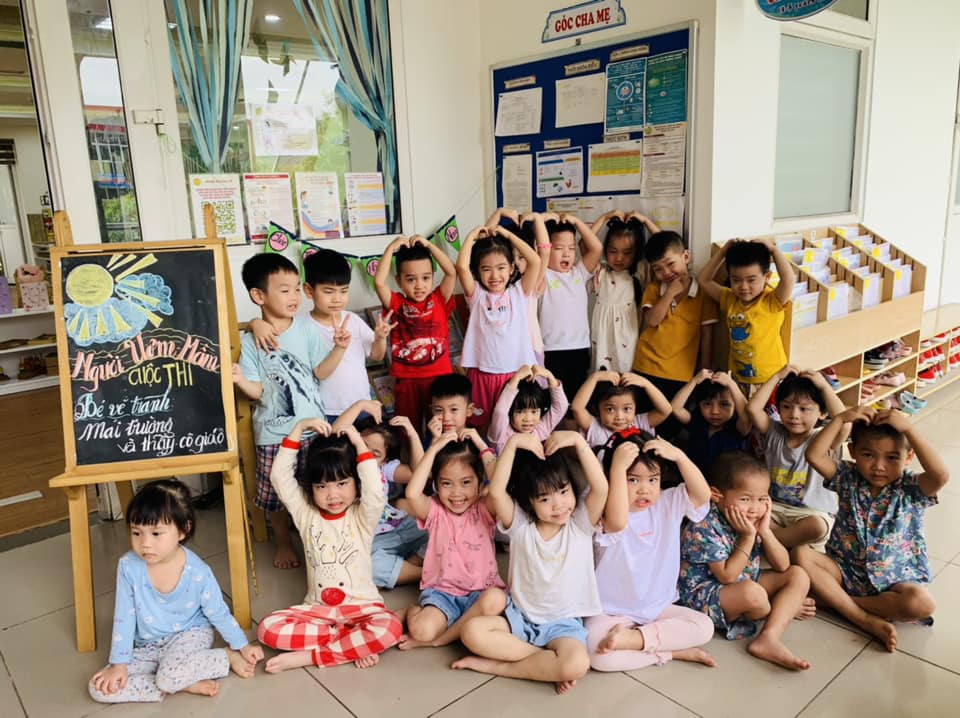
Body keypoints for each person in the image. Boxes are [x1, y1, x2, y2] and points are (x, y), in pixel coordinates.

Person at [452, 431, 608, 695]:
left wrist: (579, 442)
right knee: (471, 632)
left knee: (578, 664)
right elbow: (497, 492)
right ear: (529, 502)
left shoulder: (580, 524)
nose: (558, 505)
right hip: (520, 617)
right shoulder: (521, 526)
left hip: (563, 625)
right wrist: (513, 443)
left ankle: (499, 667)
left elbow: (601, 488)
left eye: (564, 491)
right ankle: (544, 662)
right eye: (545, 499)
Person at [89, 480, 263, 703]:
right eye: (136, 533)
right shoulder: (128, 566)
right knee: (99, 687)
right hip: (148, 644)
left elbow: (218, 612)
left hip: (189, 635)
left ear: (183, 530)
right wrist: (119, 665)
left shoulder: (198, 571)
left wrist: (241, 645)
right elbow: (124, 617)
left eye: (156, 533)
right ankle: (181, 682)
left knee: (167, 677)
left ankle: (224, 658)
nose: (145, 544)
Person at [797, 406, 948, 653]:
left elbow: (940, 475)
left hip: (896, 578)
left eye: (892, 458)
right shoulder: (847, 476)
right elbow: (814, 455)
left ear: (908, 457)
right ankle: (863, 618)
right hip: (845, 570)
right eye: (868, 455)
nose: (879, 466)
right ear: (853, 452)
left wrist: (909, 429)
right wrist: (840, 419)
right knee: (800, 554)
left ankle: (838, 603)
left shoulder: (910, 487)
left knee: (922, 604)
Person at [257, 419, 403, 671]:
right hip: (318, 612)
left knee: (390, 628)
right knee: (267, 629)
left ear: (356, 483)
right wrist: (298, 429)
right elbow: (279, 477)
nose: (332, 494)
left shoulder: (363, 516)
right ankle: (352, 644)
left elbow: (374, 488)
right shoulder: (305, 514)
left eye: (342, 483)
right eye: (322, 486)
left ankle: (312, 656)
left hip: (363, 609)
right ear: (311, 489)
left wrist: (358, 443)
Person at [233, 253, 331, 570]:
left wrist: (341, 347)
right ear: (258, 295)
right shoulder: (251, 342)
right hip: (274, 434)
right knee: (275, 494)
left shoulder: (305, 330)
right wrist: (239, 380)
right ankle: (283, 540)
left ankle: (315, 536)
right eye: (284, 290)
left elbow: (321, 371)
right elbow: (258, 390)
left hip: (313, 428)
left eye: (296, 289)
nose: (294, 297)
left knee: (315, 485)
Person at [587, 431, 716, 671]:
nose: (644, 490)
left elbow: (702, 495)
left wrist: (679, 456)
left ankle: (634, 640)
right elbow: (617, 523)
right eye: (633, 480)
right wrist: (617, 468)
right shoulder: (605, 512)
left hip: (657, 607)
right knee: (597, 656)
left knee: (704, 626)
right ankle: (670, 652)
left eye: (653, 480)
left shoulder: (668, 502)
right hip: (611, 611)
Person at [677, 451, 814, 671]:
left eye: (762, 499)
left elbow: (783, 565)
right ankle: (781, 609)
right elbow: (727, 576)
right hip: (705, 594)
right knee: (754, 595)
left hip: (743, 580)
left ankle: (768, 637)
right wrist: (748, 537)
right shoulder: (704, 525)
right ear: (717, 495)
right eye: (745, 499)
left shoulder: (752, 518)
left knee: (798, 575)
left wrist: (765, 531)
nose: (755, 508)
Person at [248, 248, 395, 421]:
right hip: (326, 411)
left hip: (362, 405)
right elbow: (274, 330)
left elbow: (377, 355)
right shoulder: (300, 325)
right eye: (328, 292)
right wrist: (255, 323)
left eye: (343, 291)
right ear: (309, 291)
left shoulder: (353, 320)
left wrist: (380, 338)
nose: (337, 299)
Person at [399, 432, 506, 650]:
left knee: (496, 600)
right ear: (436, 485)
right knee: (422, 630)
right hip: (443, 594)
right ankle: (414, 613)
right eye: (446, 483)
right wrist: (433, 449)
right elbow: (412, 494)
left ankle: (442, 639)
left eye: (466, 482)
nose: (457, 493)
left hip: (481, 594)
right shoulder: (435, 511)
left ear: (480, 482)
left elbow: (499, 487)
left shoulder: (485, 508)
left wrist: (481, 444)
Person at [746, 366, 847, 550]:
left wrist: (824, 387)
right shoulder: (774, 431)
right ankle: (782, 540)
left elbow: (844, 423)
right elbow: (753, 409)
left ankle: (774, 539)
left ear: (822, 413)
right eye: (786, 407)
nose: (794, 415)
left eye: (804, 409)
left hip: (810, 513)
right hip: (775, 508)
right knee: (745, 512)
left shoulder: (823, 439)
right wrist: (776, 376)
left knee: (817, 527)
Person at [334, 400, 428, 589]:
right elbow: (335, 432)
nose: (365, 454)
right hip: (375, 540)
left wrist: (412, 434)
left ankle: (411, 563)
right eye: (362, 444)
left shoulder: (383, 469)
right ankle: (426, 572)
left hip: (402, 525)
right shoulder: (344, 466)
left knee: (441, 532)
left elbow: (417, 473)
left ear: (385, 460)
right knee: (365, 568)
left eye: (375, 453)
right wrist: (360, 405)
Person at [457, 223, 541, 430]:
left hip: (515, 374)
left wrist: (508, 235)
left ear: (512, 268)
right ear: (477, 272)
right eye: (486, 269)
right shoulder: (476, 295)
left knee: (514, 426)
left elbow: (535, 261)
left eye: (501, 268)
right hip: (482, 374)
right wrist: (472, 235)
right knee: (481, 425)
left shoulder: (519, 292)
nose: (494, 276)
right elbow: (461, 267)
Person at [374, 235, 458, 433]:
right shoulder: (397, 304)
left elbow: (451, 272)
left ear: (432, 277)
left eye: (426, 278)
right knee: (406, 430)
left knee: (442, 430)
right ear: (399, 281)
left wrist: (429, 245)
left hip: (440, 380)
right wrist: (390, 249)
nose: (419, 285)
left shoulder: (439, 299)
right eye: (411, 279)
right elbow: (379, 282)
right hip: (407, 380)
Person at [697, 239, 795, 391]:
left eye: (751, 280)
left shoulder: (772, 301)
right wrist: (722, 253)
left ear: (767, 277)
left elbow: (788, 279)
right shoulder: (730, 298)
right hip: (737, 379)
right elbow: (703, 280)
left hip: (770, 379)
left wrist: (774, 250)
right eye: (736, 280)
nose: (743, 287)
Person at [632, 230, 718, 403]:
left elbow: (707, 336)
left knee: (672, 417)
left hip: (680, 374)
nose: (666, 272)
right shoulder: (654, 289)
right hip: (646, 366)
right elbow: (652, 321)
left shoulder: (703, 294)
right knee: (643, 417)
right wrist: (669, 293)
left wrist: (705, 374)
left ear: (686, 257)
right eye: (658, 269)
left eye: (671, 264)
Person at [538, 214, 604, 402]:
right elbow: (538, 249)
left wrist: (576, 222)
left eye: (572, 248)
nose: (566, 254)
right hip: (551, 349)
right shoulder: (542, 274)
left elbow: (596, 248)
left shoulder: (579, 273)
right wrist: (541, 220)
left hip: (579, 348)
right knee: (552, 400)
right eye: (558, 248)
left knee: (575, 401)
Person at [589, 211, 658, 373]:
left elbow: (663, 246)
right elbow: (587, 244)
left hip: (629, 339)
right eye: (613, 251)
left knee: (627, 377)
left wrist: (646, 221)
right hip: (602, 340)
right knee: (602, 379)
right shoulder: (601, 272)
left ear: (636, 252)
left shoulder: (640, 273)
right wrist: (604, 217)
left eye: (627, 253)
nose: (619, 258)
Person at [670, 369, 751, 476]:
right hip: (693, 480)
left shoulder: (737, 426)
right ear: (699, 404)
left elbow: (747, 417)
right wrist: (694, 381)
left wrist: (731, 384)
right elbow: (675, 408)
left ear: (735, 406)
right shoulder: (698, 420)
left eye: (724, 404)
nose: (715, 412)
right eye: (707, 404)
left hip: (724, 483)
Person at [571, 369, 671, 447]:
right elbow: (576, 408)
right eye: (610, 409)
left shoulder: (639, 423)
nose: (619, 417)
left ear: (635, 408)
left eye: (627, 409)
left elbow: (665, 410)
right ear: (597, 409)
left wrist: (646, 384)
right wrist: (594, 378)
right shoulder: (594, 426)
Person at [487, 364, 569, 454]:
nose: (528, 419)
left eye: (534, 411)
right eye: (520, 412)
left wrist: (549, 376)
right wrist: (516, 378)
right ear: (509, 411)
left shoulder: (541, 429)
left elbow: (561, 407)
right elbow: (500, 412)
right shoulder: (501, 433)